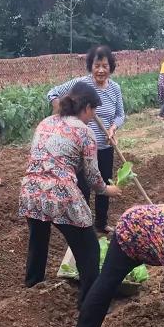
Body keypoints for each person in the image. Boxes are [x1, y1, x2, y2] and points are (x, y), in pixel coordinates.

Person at [20, 82, 122, 304]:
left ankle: (32, 284)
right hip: (60, 194)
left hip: (30, 191)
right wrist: (107, 190)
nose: (93, 116)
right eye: (93, 110)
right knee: (89, 249)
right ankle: (89, 302)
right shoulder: (85, 131)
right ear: (86, 107)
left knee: (38, 239)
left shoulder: (46, 122)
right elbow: (93, 177)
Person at [46, 45, 125, 234]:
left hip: (105, 145)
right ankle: (83, 224)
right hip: (81, 147)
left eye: (105, 65)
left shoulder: (114, 89)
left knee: (104, 184)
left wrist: (113, 128)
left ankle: (101, 223)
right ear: (91, 66)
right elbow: (52, 93)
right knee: (84, 186)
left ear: (110, 67)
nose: (100, 70)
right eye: (97, 65)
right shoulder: (81, 85)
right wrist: (63, 114)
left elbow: (121, 114)